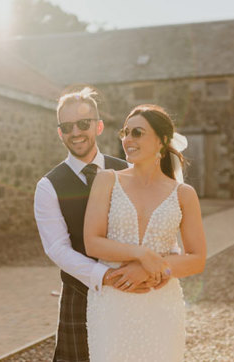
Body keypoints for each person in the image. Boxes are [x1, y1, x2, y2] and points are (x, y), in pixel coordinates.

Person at [34, 88, 163, 362]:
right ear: (60, 133)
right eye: (67, 127)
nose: (76, 132)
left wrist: (141, 268)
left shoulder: (128, 171)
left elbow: (152, 226)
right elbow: (57, 248)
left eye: (83, 124)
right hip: (81, 295)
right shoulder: (48, 186)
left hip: (133, 289)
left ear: (99, 126)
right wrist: (105, 277)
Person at [84, 104, 207, 361]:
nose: (128, 140)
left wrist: (152, 269)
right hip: (112, 302)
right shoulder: (107, 180)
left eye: (137, 133)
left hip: (161, 303)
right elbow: (92, 242)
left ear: (162, 140)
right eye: (125, 133)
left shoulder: (184, 194)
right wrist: (140, 254)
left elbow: (197, 259)